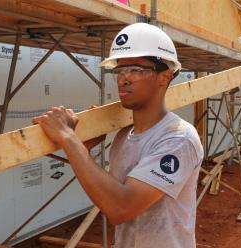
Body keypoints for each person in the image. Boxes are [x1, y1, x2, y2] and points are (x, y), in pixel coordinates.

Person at [33, 23, 203, 248]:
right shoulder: (124, 136)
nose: (124, 78)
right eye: (120, 70)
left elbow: (120, 208)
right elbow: (111, 199)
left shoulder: (178, 139)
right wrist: (82, 147)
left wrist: (69, 139)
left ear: (165, 76)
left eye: (136, 70)